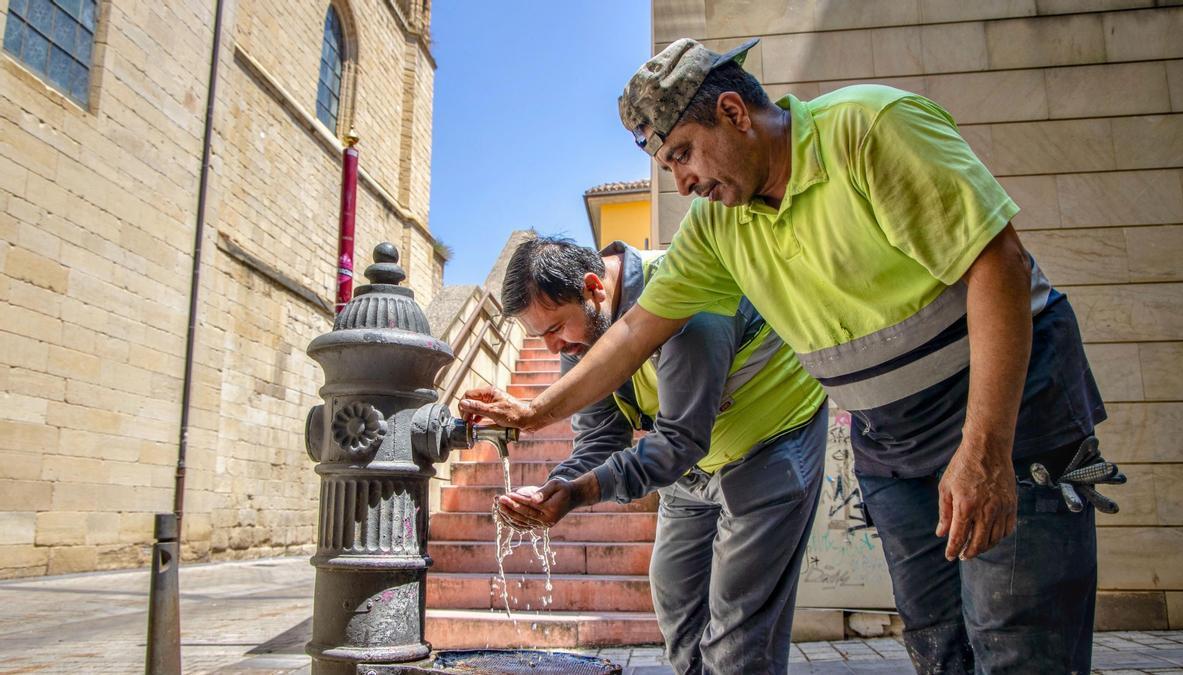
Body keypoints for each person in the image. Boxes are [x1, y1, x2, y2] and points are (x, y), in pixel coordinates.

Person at [461, 39, 1121, 674]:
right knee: (937, 639)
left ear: (733, 112)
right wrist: (532, 411)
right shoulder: (718, 227)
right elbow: (633, 334)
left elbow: (997, 262)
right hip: (891, 440)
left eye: (685, 154)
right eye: (670, 167)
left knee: (1015, 637)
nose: (685, 182)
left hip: (1003, 409)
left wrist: (986, 447)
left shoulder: (868, 129)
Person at [473, 235, 828, 674]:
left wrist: (580, 493)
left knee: (738, 630)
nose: (553, 349)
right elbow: (602, 436)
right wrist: (557, 486)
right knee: (677, 602)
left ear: (592, 287)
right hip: (692, 467)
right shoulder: (583, 335)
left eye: (554, 329)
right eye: (539, 336)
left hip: (770, 439)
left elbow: (680, 440)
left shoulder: (684, 291)